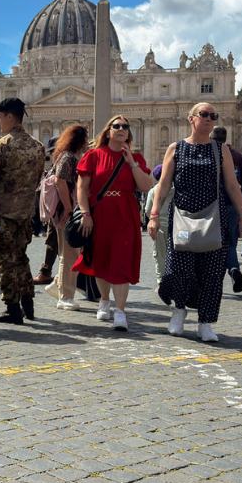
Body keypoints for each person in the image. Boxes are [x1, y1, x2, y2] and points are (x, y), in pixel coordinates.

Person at [150, 103, 242, 342]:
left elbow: (232, 186)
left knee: (213, 271)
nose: (208, 119)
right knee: (180, 268)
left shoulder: (221, 149)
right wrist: (154, 215)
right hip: (182, 217)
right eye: (203, 115)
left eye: (213, 116)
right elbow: (163, 185)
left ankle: (206, 322)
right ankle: (179, 311)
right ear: (191, 119)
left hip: (213, 217)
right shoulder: (176, 148)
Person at [74, 115, 152, 330]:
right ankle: (104, 300)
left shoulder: (136, 158)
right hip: (100, 212)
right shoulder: (93, 155)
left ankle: (120, 311)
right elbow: (82, 188)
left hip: (126, 213)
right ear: (108, 132)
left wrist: (132, 163)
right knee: (101, 259)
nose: (121, 129)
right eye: (116, 126)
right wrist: (85, 214)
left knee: (121, 261)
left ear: (129, 132)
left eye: (125, 127)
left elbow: (146, 187)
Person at [0, 98, 46, 325]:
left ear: (10, 116)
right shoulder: (38, 146)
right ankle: (28, 305)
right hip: (26, 213)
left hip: (4, 214)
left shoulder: (2, 145)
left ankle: (13, 308)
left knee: (4, 261)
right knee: (21, 257)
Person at [50, 125, 88, 311]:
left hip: (67, 211)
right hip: (67, 212)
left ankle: (57, 286)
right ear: (79, 141)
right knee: (70, 254)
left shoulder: (67, 156)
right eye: (85, 139)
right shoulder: (68, 157)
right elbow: (60, 180)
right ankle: (65, 296)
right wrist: (68, 207)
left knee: (68, 253)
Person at [210, 126, 242, 291]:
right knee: (230, 242)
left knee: (209, 243)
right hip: (232, 206)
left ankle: (212, 282)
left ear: (212, 138)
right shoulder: (238, 157)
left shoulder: (207, 154)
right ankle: (234, 268)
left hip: (210, 206)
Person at [34, 135, 62, 286]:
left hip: (61, 209)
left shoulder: (63, 162)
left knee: (60, 244)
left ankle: (49, 273)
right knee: (52, 242)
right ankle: (45, 272)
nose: (52, 155)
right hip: (56, 209)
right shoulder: (56, 164)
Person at [143, 164, 169, 290]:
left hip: (159, 227)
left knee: (160, 256)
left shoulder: (154, 191)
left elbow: (148, 210)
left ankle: (162, 283)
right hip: (176, 227)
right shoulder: (177, 188)